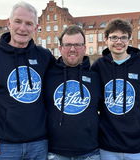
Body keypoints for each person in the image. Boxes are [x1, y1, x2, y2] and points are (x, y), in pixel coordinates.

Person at [0, 2, 55, 160]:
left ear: (36, 28)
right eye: (18, 21)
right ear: (8, 23)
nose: (22, 28)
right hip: (5, 146)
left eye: (29, 23)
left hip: (40, 144)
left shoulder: (44, 57)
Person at [91, 19, 140, 160]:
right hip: (107, 147)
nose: (119, 42)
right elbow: (92, 102)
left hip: (137, 148)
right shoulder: (99, 66)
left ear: (129, 39)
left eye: (123, 37)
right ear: (106, 39)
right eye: (114, 37)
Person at [44, 25, 101, 160]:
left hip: (90, 152)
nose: (73, 49)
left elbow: (108, 106)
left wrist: (138, 111)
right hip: (55, 152)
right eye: (68, 44)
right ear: (60, 48)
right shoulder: (47, 75)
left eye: (77, 45)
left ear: (84, 48)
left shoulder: (96, 76)